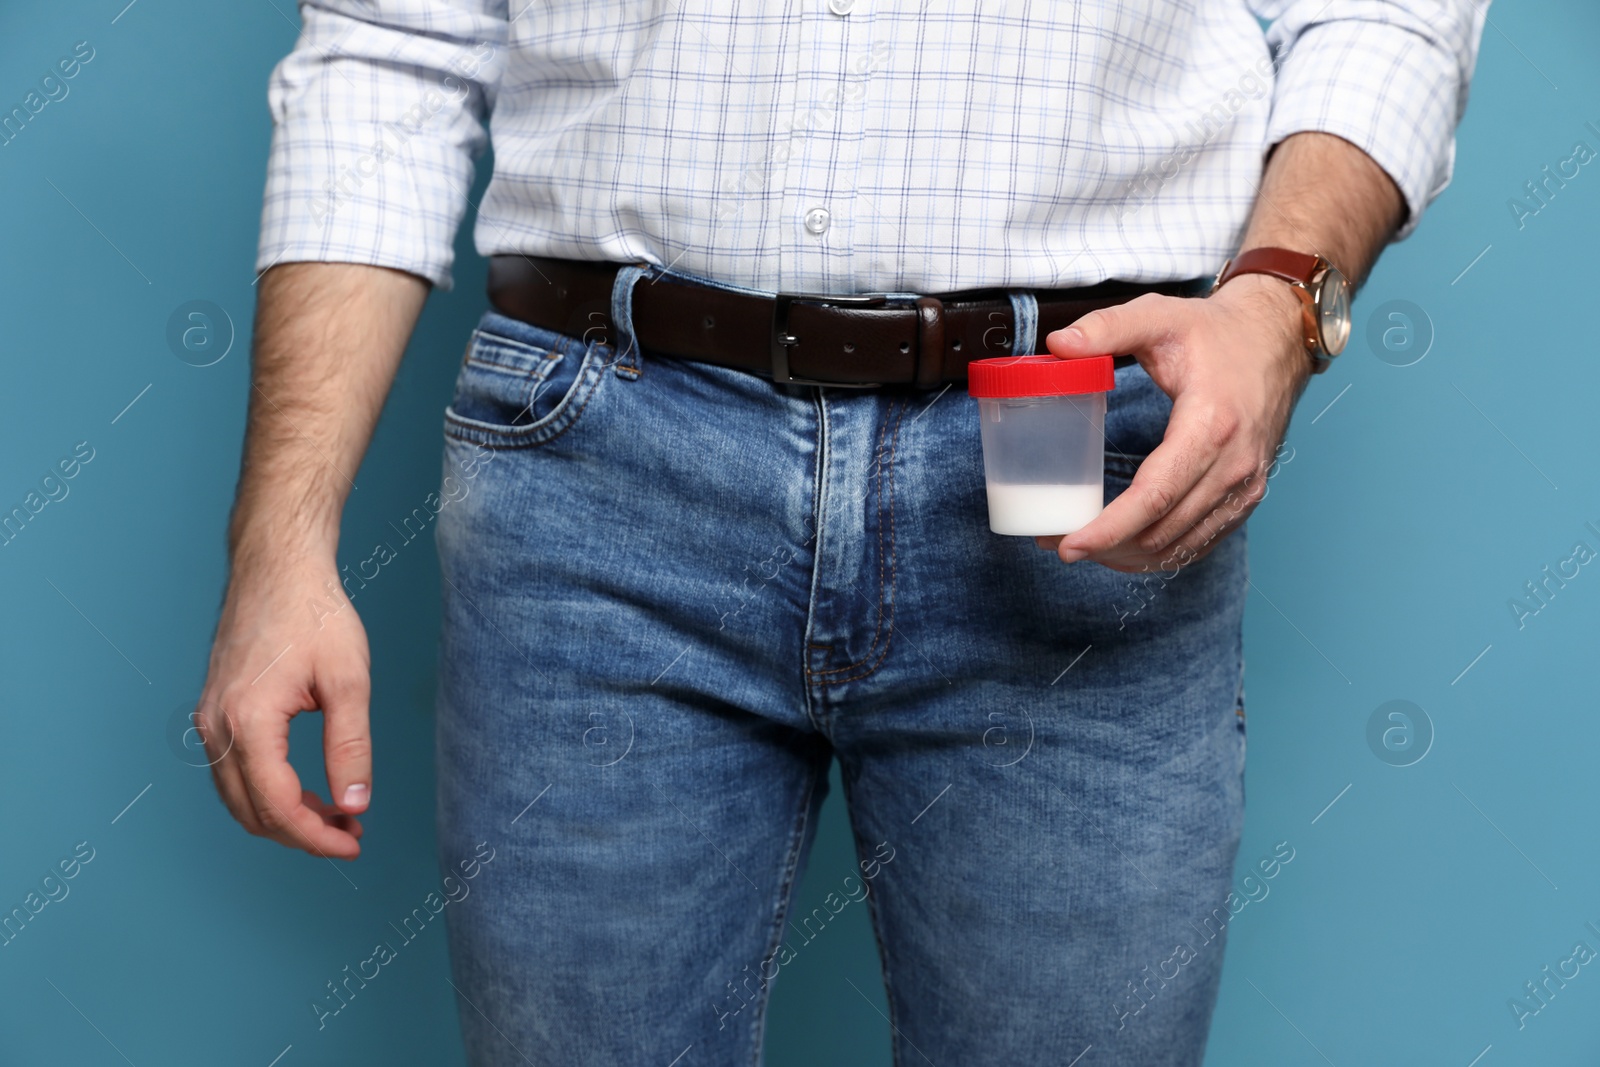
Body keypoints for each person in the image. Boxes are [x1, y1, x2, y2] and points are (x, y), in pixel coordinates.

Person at [197, 2, 1484, 1064]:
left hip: (1068, 450)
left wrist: (1275, 303)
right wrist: (281, 545)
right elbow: (393, 48)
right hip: (598, 461)